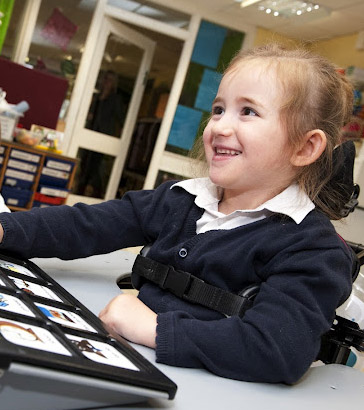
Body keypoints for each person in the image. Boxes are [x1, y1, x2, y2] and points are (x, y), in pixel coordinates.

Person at [0, 44, 355, 384]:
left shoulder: (312, 249)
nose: (218, 126)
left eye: (248, 111)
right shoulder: (180, 199)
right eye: (218, 109)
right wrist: (6, 229)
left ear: (305, 147)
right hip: (132, 362)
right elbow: (87, 224)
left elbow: (275, 348)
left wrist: (155, 329)